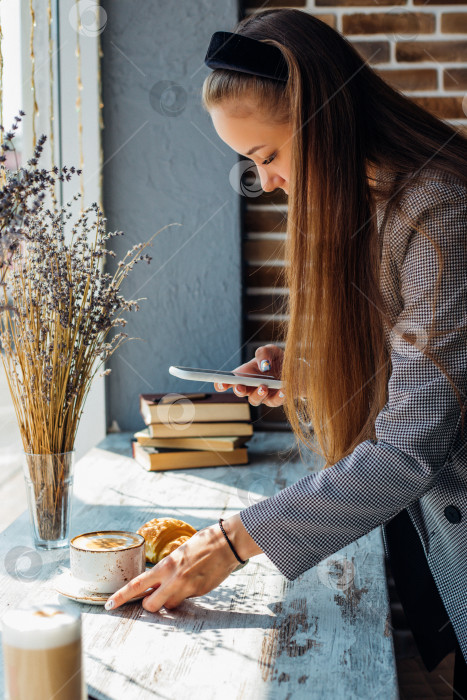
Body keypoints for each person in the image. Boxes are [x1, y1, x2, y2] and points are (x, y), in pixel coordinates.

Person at [106, 9, 467, 694]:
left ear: (322, 123)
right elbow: (422, 368)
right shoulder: (375, 199)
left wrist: (233, 540)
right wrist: (307, 374)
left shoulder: (441, 208)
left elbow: (412, 445)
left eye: (267, 155)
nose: (263, 180)